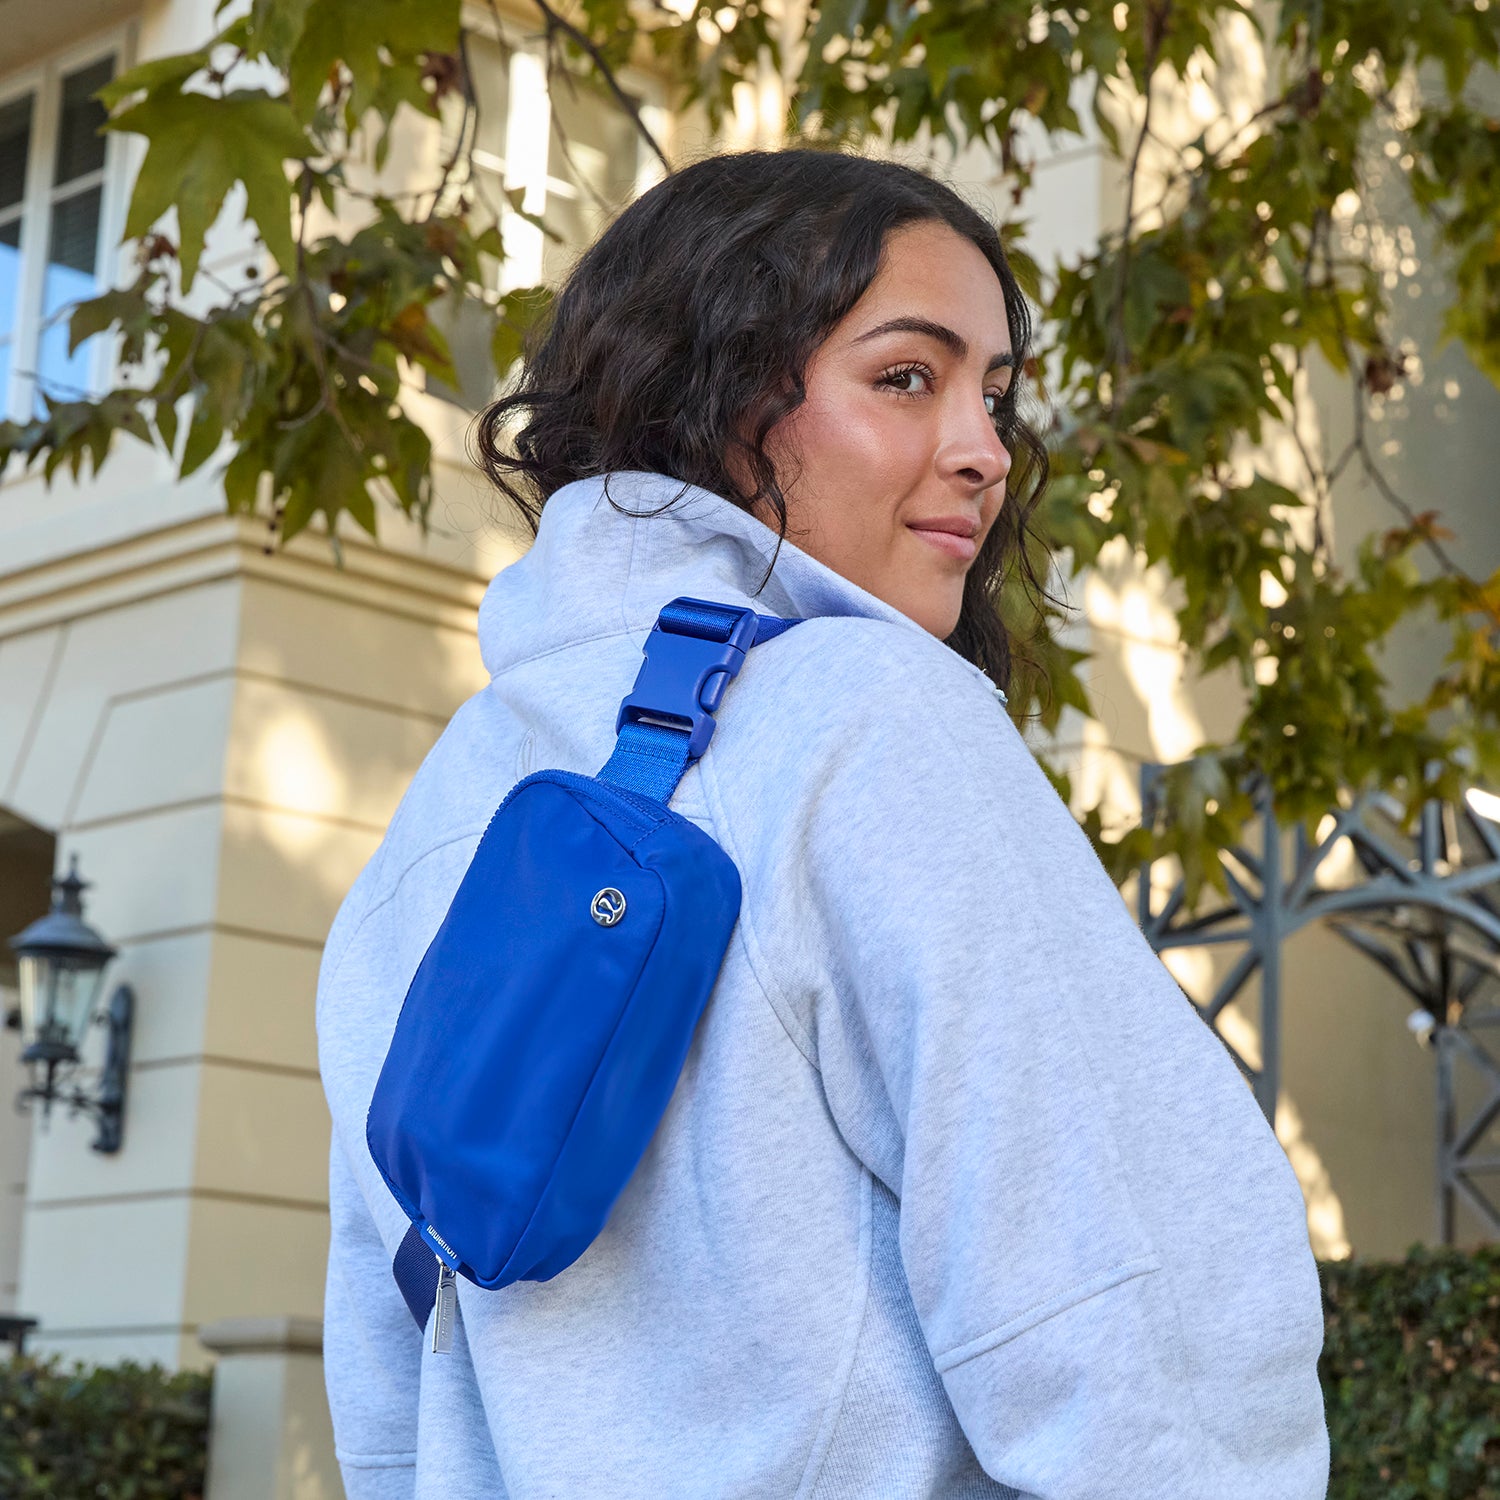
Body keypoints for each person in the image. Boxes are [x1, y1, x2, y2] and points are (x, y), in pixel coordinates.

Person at [317, 149, 1330, 1499]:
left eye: (996, 395)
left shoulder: (445, 806)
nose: (984, 452)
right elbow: (1130, 1306)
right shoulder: (868, 715)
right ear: (718, 395)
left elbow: (391, 1368)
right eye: (906, 377)